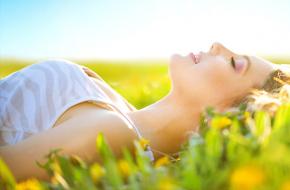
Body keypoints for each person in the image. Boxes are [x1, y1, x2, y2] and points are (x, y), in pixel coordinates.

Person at [0, 42, 288, 181]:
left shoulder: (113, 134)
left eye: (235, 63)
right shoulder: (118, 112)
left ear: (218, 120)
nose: (218, 45)